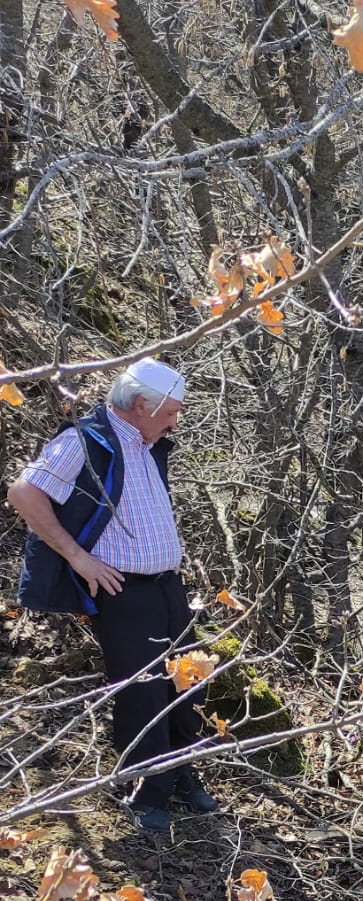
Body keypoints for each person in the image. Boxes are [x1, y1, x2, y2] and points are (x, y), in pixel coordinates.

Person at [8, 358, 220, 835]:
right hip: (124, 590)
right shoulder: (84, 440)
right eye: (171, 412)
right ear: (142, 404)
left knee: (185, 682)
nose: (175, 422)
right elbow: (24, 493)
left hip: (168, 586)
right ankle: (142, 792)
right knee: (141, 691)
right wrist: (77, 557)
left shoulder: (146, 444)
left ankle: (182, 775)